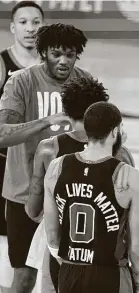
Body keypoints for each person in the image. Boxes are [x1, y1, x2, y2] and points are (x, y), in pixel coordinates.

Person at [0, 23, 91, 293]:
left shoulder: (85, 83)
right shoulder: (21, 81)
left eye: (70, 55)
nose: (63, 61)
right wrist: (46, 122)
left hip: (72, 197)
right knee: (24, 279)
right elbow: (3, 134)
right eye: (56, 54)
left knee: (69, 278)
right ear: (43, 53)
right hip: (24, 194)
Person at [25, 77, 135, 292]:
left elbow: (32, 209)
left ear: (66, 109)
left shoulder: (49, 149)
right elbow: (133, 218)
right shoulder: (121, 154)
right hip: (107, 256)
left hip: (61, 252)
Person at [44, 101, 139, 293]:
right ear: (115, 132)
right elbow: (138, 248)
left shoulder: (56, 168)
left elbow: (52, 235)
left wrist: (69, 263)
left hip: (69, 271)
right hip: (111, 274)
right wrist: (137, 274)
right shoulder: (131, 178)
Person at [0, 2, 44, 292]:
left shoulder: (53, 65)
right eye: (24, 22)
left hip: (40, 168)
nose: (31, 28)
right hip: (6, 165)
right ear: (13, 27)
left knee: (35, 261)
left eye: (36, 22)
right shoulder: (3, 63)